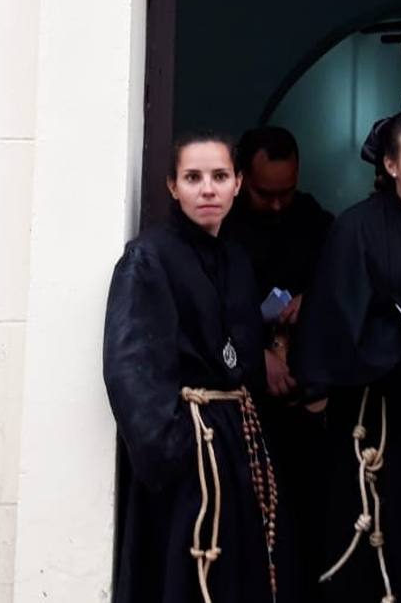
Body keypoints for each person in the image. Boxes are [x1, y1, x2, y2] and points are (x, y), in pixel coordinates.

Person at [102, 133, 294, 603]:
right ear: (172, 186)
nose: (207, 189)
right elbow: (131, 370)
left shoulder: (235, 259)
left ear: (236, 184)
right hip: (186, 455)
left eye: (219, 177)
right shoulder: (148, 258)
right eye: (193, 178)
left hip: (235, 444)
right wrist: (176, 457)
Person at [292, 111, 401, 603]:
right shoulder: (357, 228)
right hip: (378, 417)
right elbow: (334, 324)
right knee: (380, 543)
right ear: (390, 165)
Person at [221, 126, 335, 593]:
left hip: (307, 401)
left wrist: (313, 298)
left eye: (285, 192)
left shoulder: (316, 222)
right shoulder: (223, 229)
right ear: (243, 179)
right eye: (266, 194)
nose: (276, 205)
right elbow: (213, 308)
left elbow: (343, 287)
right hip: (244, 402)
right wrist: (257, 354)